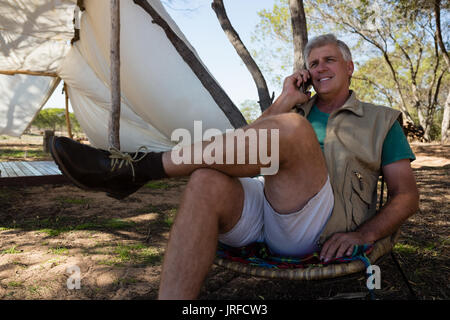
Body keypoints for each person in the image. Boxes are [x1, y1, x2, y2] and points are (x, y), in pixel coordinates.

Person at [49, 34, 419, 300]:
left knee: (293, 129)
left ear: (350, 67)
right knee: (206, 178)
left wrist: (364, 235)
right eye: (313, 63)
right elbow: (241, 142)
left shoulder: (381, 121)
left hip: (319, 226)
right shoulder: (292, 110)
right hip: (268, 209)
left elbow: (406, 196)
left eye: (329, 60)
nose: (319, 67)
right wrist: (283, 102)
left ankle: (140, 169)